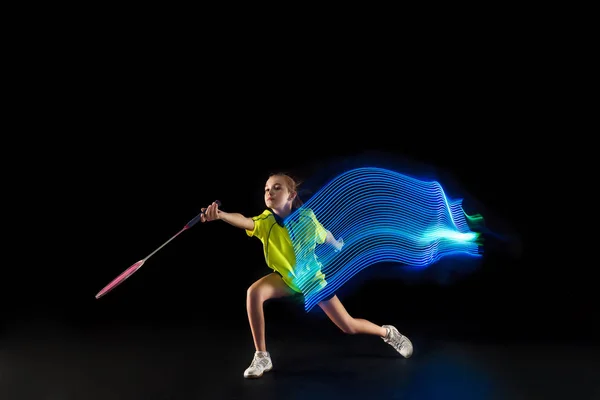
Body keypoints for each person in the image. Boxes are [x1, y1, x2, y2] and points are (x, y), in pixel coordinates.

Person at [200, 172, 413, 378]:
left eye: (277, 187)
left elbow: (324, 234)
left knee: (348, 326)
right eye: (266, 188)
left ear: (291, 195)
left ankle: (388, 333)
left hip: (312, 282)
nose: (269, 192)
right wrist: (221, 215)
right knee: (254, 292)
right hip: (286, 279)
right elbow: (246, 221)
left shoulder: (307, 219)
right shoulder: (266, 222)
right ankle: (262, 356)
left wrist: (336, 244)